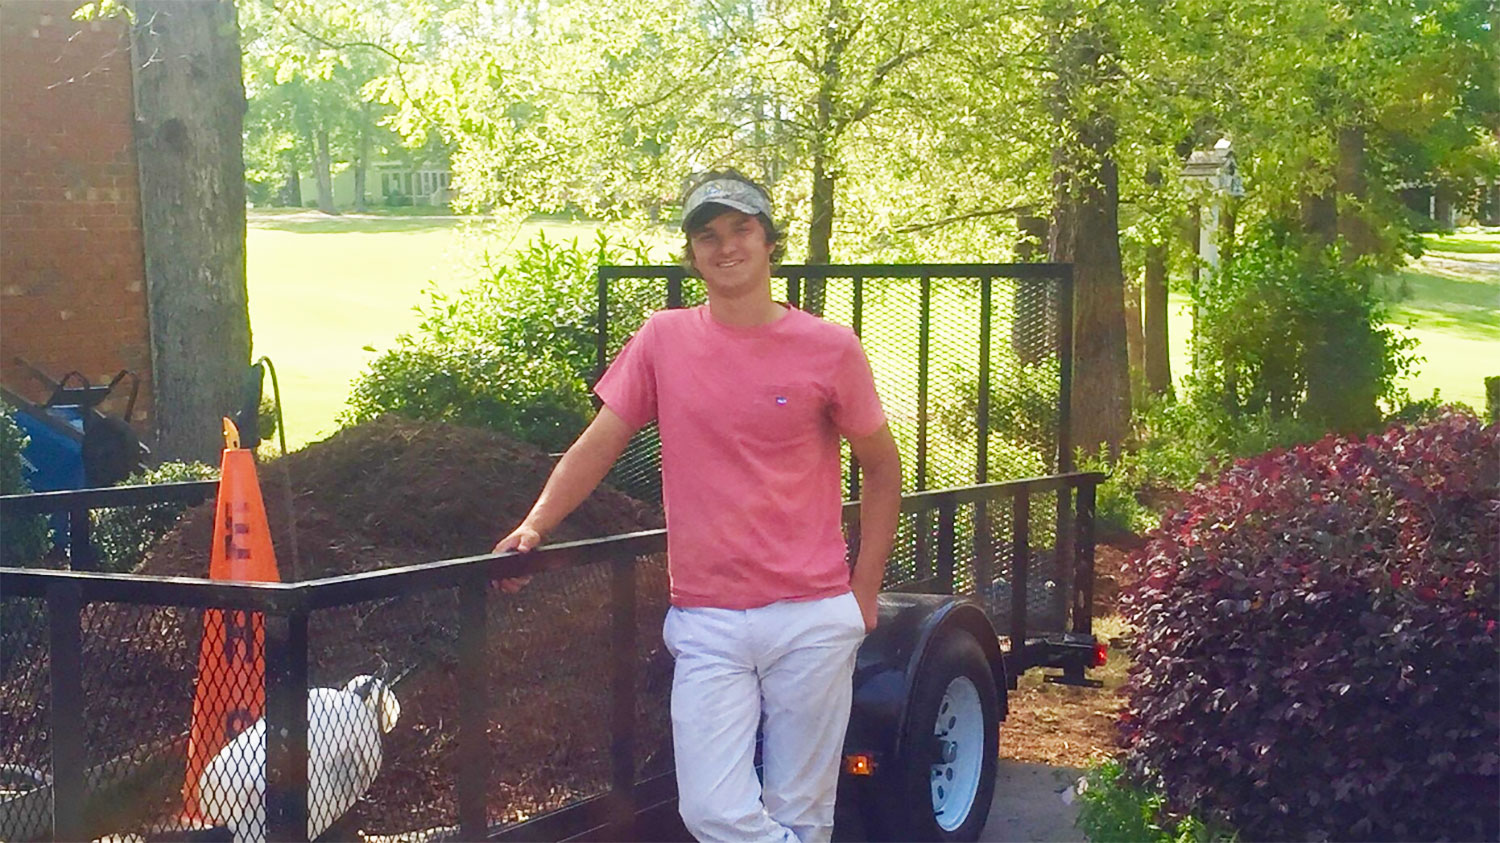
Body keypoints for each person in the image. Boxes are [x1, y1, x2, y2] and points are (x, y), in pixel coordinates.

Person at [493, 169, 902, 843]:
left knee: (802, 811)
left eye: (741, 228)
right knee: (712, 810)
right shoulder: (663, 339)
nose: (726, 246)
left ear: (770, 242)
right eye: (707, 235)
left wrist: (864, 593)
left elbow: (883, 469)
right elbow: (597, 445)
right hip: (708, 618)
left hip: (812, 615)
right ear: (692, 255)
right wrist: (537, 523)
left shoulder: (830, 347)